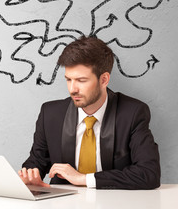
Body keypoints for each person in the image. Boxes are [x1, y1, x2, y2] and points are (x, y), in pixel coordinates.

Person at [19, 36, 160, 189]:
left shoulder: (132, 113)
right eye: (68, 79)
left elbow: (148, 174)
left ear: (104, 80)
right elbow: (36, 162)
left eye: (81, 80)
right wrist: (29, 177)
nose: (73, 89)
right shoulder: (50, 114)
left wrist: (84, 179)